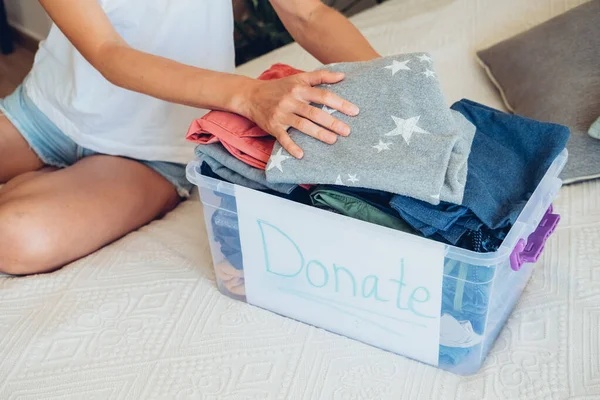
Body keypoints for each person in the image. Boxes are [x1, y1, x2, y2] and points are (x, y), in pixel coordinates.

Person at [0, 0, 379, 275]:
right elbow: (107, 51)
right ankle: (48, 182)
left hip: (150, 152)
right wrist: (248, 96)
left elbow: (307, 13)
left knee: (14, 239)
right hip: (42, 114)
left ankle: (45, 185)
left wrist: (396, 86)